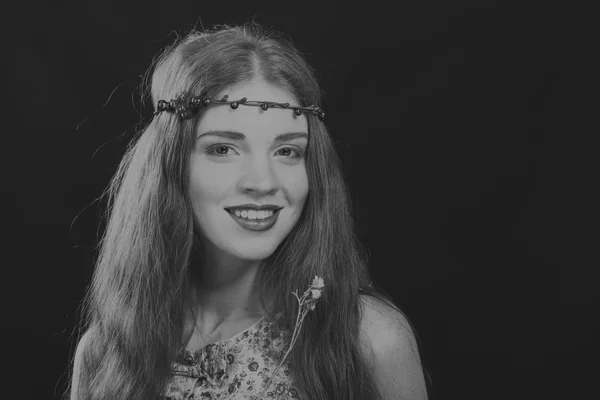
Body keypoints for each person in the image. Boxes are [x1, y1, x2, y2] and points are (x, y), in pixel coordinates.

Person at [66, 22, 430, 400]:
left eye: (287, 151)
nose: (262, 181)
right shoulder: (106, 353)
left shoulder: (369, 339)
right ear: (171, 167)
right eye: (223, 149)